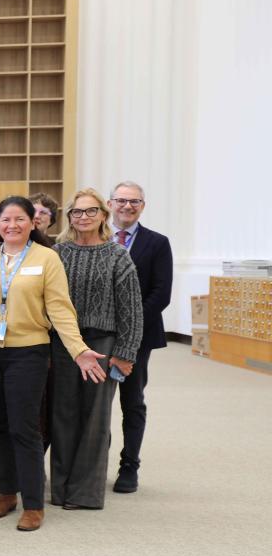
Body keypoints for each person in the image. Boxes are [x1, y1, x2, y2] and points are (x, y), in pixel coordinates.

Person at [0, 196, 107, 532]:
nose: (11, 225)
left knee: (24, 427)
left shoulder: (47, 258)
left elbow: (60, 309)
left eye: (19, 219)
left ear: (32, 222)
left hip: (28, 352)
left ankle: (33, 503)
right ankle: (8, 493)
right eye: (5, 220)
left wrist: (78, 349)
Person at [50, 189, 142, 510]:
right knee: (62, 415)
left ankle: (85, 493)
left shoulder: (118, 255)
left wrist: (126, 354)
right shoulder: (57, 253)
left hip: (103, 344)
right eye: (77, 212)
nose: (84, 217)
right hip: (63, 344)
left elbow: (131, 309)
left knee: (95, 419)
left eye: (90, 212)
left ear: (103, 215)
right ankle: (60, 488)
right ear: (70, 218)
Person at [107, 180, 172, 493]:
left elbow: (161, 294)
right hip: (98, 337)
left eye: (134, 202)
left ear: (142, 206)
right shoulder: (98, 239)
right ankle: (91, 464)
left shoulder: (157, 243)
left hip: (138, 339)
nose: (127, 206)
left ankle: (129, 465)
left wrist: (128, 324)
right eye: (121, 200)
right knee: (94, 406)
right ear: (110, 204)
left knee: (132, 401)